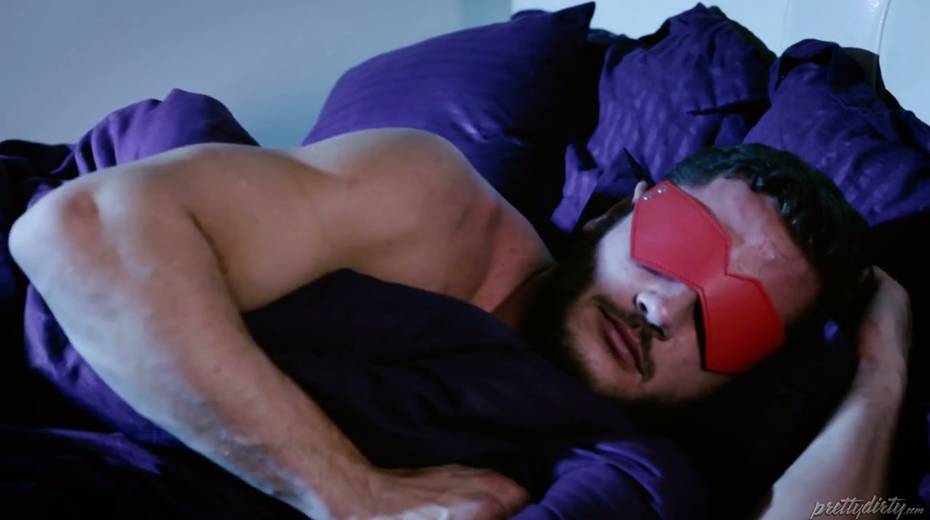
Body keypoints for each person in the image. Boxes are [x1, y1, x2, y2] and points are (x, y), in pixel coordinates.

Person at [8, 128, 912, 519]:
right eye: (677, 246)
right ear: (618, 212)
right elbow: (76, 232)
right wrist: (350, 495)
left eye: (734, 323)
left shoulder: (630, 465)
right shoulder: (435, 207)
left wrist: (880, 376)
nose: (667, 308)